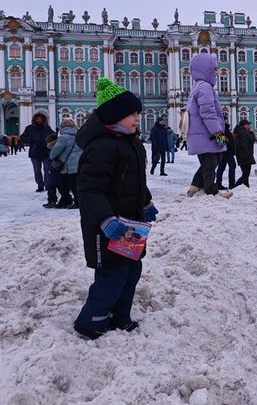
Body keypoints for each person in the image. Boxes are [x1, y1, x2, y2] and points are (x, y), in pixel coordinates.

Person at [73, 77, 156, 339]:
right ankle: (91, 321)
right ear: (113, 116)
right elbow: (90, 190)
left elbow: (136, 181)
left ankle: (120, 317)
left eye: (137, 113)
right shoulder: (101, 148)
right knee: (112, 274)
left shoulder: (132, 144)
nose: (137, 118)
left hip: (131, 225)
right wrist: (105, 219)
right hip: (106, 228)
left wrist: (146, 202)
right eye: (131, 114)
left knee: (131, 271)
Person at [186, 53, 229, 197]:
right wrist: (219, 134)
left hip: (204, 135)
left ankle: (195, 187)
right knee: (210, 163)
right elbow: (208, 114)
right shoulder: (205, 87)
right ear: (205, 69)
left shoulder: (198, 86)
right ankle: (211, 192)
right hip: (207, 135)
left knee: (214, 159)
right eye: (214, 69)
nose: (217, 72)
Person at [49, 118, 82, 209]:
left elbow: (54, 152)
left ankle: (76, 202)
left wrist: (52, 155)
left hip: (68, 166)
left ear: (62, 127)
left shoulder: (63, 138)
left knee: (69, 185)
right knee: (72, 185)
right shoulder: (79, 136)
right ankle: (66, 201)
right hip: (79, 164)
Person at [20, 112, 55, 192]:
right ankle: (40, 185)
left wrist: (52, 138)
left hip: (45, 152)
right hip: (34, 152)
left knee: (47, 169)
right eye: (37, 119)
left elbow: (53, 135)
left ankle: (47, 185)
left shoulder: (47, 128)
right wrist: (30, 140)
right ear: (34, 120)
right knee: (37, 170)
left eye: (40, 119)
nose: (39, 120)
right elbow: (22, 138)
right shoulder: (29, 128)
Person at [42, 133, 66, 209]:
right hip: (54, 171)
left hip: (53, 170)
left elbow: (52, 159)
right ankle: (65, 199)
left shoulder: (54, 148)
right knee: (59, 187)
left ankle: (52, 201)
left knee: (52, 187)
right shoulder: (55, 147)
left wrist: (50, 169)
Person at [233, 119, 256, 188]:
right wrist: (251, 133)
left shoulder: (239, 132)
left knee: (245, 174)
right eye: (248, 124)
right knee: (245, 174)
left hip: (242, 155)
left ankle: (246, 187)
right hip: (246, 156)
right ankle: (234, 187)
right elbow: (252, 140)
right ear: (244, 125)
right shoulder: (243, 132)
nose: (249, 126)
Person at [215, 122, 237, 189]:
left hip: (225, 151)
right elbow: (222, 143)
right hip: (227, 151)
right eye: (225, 120)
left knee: (221, 167)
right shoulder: (222, 129)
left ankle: (218, 183)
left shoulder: (223, 129)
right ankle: (231, 184)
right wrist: (227, 143)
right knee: (232, 166)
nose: (227, 121)